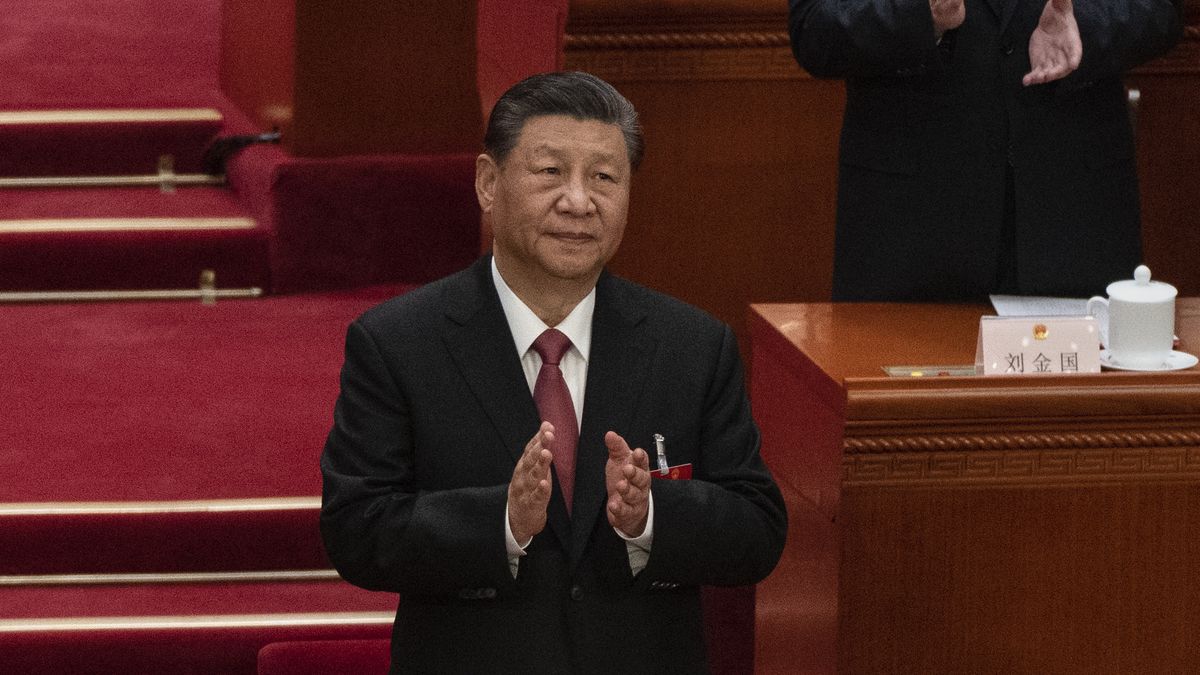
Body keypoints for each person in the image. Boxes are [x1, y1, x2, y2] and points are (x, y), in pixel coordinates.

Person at [319, 71, 787, 674]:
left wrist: (650, 517)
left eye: (604, 177)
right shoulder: (399, 343)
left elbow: (758, 529)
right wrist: (503, 522)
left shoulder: (693, 346)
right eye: (550, 172)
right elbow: (356, 529)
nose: (579, 201)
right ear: (489, 183)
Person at [788, 0, 1182, 301]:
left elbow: (1160, 9)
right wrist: (922, 15)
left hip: (1072, 224)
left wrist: (1085, 24)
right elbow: (815, 26)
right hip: (911, 239)